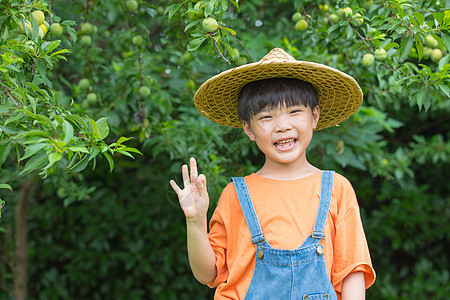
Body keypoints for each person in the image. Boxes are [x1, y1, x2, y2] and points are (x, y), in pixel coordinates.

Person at [170, 48, 375, 299]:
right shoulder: (235, 194)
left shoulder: (336, 189)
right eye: (266, 117)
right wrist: (195, 221)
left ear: (315, 116)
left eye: (294, 112)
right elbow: (208, 273)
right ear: (248, 128)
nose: (282, 126)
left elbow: (351, 272)